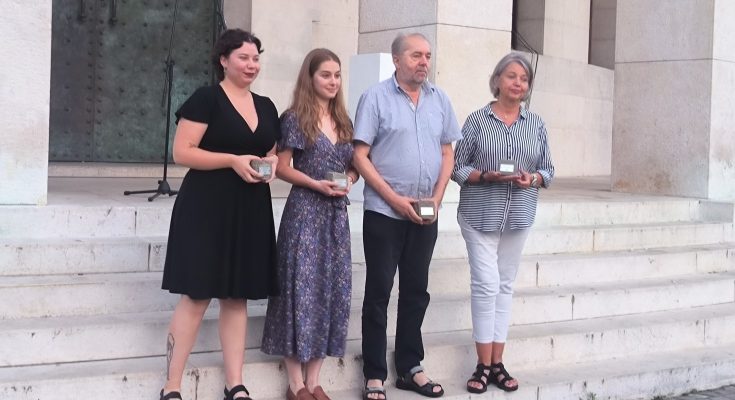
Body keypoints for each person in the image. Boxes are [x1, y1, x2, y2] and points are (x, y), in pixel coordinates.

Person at [159, 29, 280, 400]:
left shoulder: (266, 105)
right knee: (197, 295)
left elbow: (270, 150)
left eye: (256, 58)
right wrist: (232, 160)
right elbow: (183, 151)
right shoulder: (206, 99)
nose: (251, 64)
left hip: (250, 208)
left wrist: (272, 164)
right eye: (243, 57)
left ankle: (235, 383)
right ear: (224, 60)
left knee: (237, 297)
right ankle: (172, 385)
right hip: (206, 207)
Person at [352, 32, 463, 400]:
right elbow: (360, 157)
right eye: (416, 55)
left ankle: (410, 366)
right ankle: (374, 374)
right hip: (385, 212)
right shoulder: (375, 97)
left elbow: (447, 153)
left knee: (416, 291)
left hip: (426, 214)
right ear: (397, 59)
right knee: (378, 293)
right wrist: (395, 200)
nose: (424, 62)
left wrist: (437, 198)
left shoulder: (439, 99)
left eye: (427, 55)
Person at [451, 52, 554, 394]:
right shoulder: (477, 120)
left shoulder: (536, 124)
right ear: (497, 81)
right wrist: (485, 176)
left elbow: (549, 170)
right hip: (480, 214)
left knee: (505, 286)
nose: (517, 83)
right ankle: (483, 365)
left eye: (524, 79)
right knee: (486, 285)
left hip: (519, 215)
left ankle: (497, 363)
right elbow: (456, 168)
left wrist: (533, 179)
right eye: (511, 76)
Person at [260, 48, 358, 400]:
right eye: (325, 75)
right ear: (310, 78)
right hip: (304, 212)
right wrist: (316, 184)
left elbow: (355, 165)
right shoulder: (294, 118)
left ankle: (314, 381)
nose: (333, 81)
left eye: (337, 75)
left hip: (335, 215)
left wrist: (349, 180)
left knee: (331, 290)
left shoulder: (344, 120)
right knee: (297, 290)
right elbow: (282, 167)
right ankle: (295, 383)